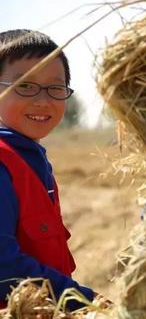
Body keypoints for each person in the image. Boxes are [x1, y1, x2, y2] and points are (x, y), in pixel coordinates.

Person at [0, 29, 94, 309]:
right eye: (25, 86)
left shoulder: (31, 159)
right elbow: (4, 268)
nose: (42, 100)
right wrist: (86, 303)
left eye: (55, 88)